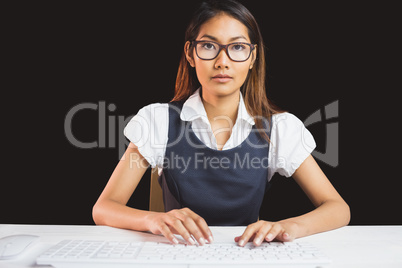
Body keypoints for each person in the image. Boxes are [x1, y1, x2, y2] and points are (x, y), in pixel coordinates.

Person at [93, 0, 350, 247]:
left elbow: (338, 208)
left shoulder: (279, 129)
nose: (222, 61)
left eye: (237, 47)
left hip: (245, 256)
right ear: (190, 54)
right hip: (176, 255)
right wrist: (154, 219)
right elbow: (104, 207)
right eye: (208, 46)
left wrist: (289, 227)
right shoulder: (158, 121)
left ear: (253, 57)